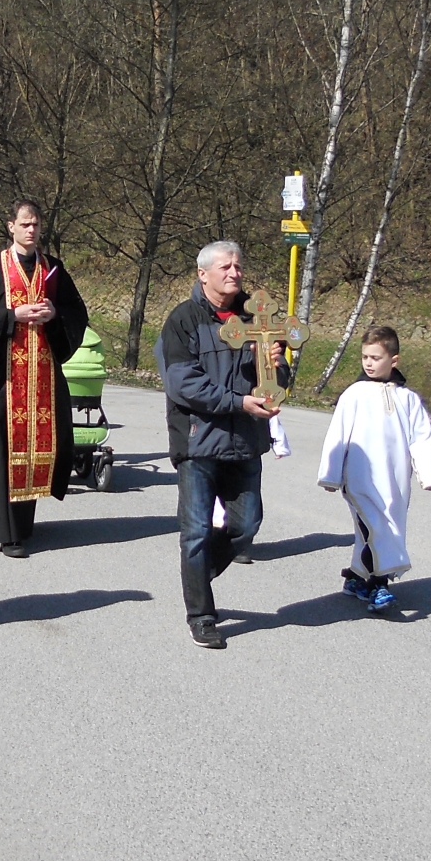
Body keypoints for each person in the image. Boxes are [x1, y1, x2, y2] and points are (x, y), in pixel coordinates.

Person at [155, 239, 289, 651]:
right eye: (226, 267)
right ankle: (201, 615)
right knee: (196, 531)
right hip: (199, 442)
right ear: (203, 274)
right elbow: (182, 383)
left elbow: (278, 382)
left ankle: (196, 577)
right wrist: (237, 402)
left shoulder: (258, 317)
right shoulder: (184, 320)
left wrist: (278, 368)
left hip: (245, 440)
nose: (235, 273)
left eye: (238, 266)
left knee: (246, 525)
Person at [0, 201, 90, 559]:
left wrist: (54, 313)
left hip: (41, 376)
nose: (31, 230)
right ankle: (5, 532)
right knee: (2, 448)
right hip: (4, 377)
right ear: (11, 226)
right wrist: (13, 315)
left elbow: (77, 312)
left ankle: (24, 524)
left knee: (34, 448)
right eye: (25, 224)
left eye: (36, 225)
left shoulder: (52, 267)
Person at [316, 325, 431, 614]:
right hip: (360, 478)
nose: (369, 363)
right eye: (365, 357)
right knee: (375, 528)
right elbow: (338, 434)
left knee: (384, 528)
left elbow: (421, 437)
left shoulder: (408, 398)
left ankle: (356, 578)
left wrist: (428, 474)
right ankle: (378, 586)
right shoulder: (355, 394)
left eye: (375, 358)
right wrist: (331, 474)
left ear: (393, 360)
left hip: (395, 480)